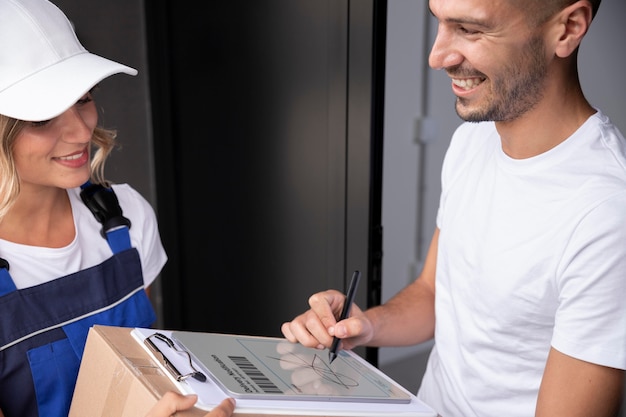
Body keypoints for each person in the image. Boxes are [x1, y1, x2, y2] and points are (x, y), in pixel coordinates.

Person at [282, 0, 625, 416]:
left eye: (471, 30)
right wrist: (365, 325)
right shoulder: (473, 141)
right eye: (440, 23)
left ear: (568, 28)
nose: (437, 56)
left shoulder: (607, 215)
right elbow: (433, 293)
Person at [0, 0, 235, 416]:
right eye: (43, 118)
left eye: (85, 99)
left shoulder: (122, 215)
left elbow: (152, 375)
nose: (81, 129)